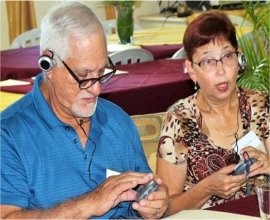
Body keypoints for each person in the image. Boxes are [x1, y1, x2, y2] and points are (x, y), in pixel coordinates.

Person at [0, 2, 169, 219]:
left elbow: (146, 192)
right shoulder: (9, 134)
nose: (97, 88)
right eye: (84, 75)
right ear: (47, 63)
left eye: (101, 72)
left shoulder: (116, 119)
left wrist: (155, 203)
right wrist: (91, 202)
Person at [156, 11, 269, 215]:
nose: (221, 70)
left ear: (239, 57)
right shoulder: (179, 120)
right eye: (208, 61)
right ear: (191, 70)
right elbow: (164, 209)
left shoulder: (261, 104)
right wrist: (207, 189)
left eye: (227, 56)